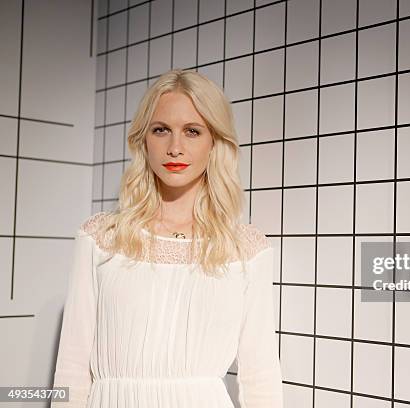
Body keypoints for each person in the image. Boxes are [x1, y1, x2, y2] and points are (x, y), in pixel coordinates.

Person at [50, 69, 283, 407]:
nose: (175, 147)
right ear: (144, 140)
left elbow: (260, 377)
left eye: (192, 131)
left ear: (214, 142)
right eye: (161, 130)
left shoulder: (245, 251)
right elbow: (71, 369)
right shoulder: (101, 239)